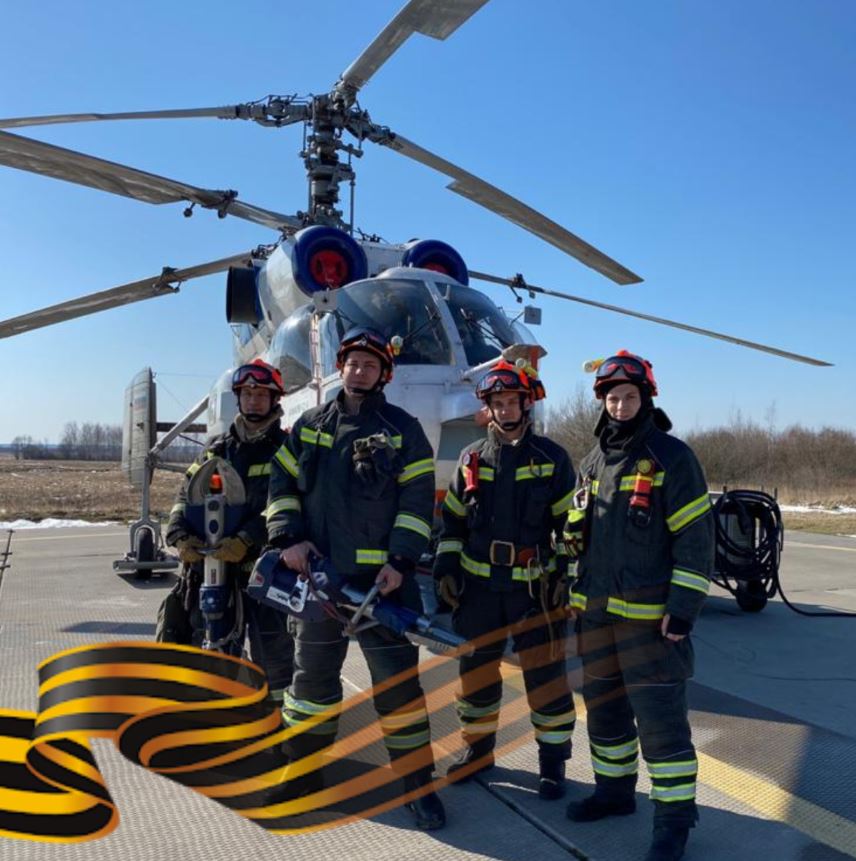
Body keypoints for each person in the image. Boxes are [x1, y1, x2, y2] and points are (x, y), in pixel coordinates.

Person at [265, 326, 445, 831]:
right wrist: (288, 538)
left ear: (384, 374)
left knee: (399, 690)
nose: (359, 371)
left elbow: (417, 503)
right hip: (320, 583)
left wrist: (401, 562)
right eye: (352, 363)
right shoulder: (309, 425)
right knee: (309, 685)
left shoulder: (402, 429)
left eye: (370, 364)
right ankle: (302, 773)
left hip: (382, 587)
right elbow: (280, 483)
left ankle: (417, 784)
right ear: (340, 367)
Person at [563, 350, 714, 861]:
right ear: (602, 402)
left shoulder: (673, 458)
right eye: (612, 398)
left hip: (651, 626)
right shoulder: (591, 462)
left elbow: (696, 539)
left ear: (646, 399)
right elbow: (579, 539)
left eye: (629, 396)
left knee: (662, 727)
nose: (620, 406)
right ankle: (614, 793)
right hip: (596, 619)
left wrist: (684, 607)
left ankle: (673, 823)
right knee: (605, 716)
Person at [433, 358, 576, 800]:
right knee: (476, 675)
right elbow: (452, 525)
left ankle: (552, 765)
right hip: (479, 591)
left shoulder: (552, 459)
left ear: (525, 405)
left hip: (534, 590)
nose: (506, 409)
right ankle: (477, 752)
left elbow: (570, 529)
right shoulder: (470, 459)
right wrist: (445, 567)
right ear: (488, 408)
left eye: (513, 402)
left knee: (545, 677)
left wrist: (564, 579)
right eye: (498, 402)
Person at [157, 359, 294, 708]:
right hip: (212, 571)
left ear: (274, 399)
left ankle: (275, 717)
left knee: (272, 653)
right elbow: (186, 495)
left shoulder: (287, 448)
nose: (253, 401)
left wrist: (247, 538)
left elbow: (285, 505)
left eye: (261, 395)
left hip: (263, 572)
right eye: (247, 394)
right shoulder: (216, 448)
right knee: (208, 647)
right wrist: (179, 535)